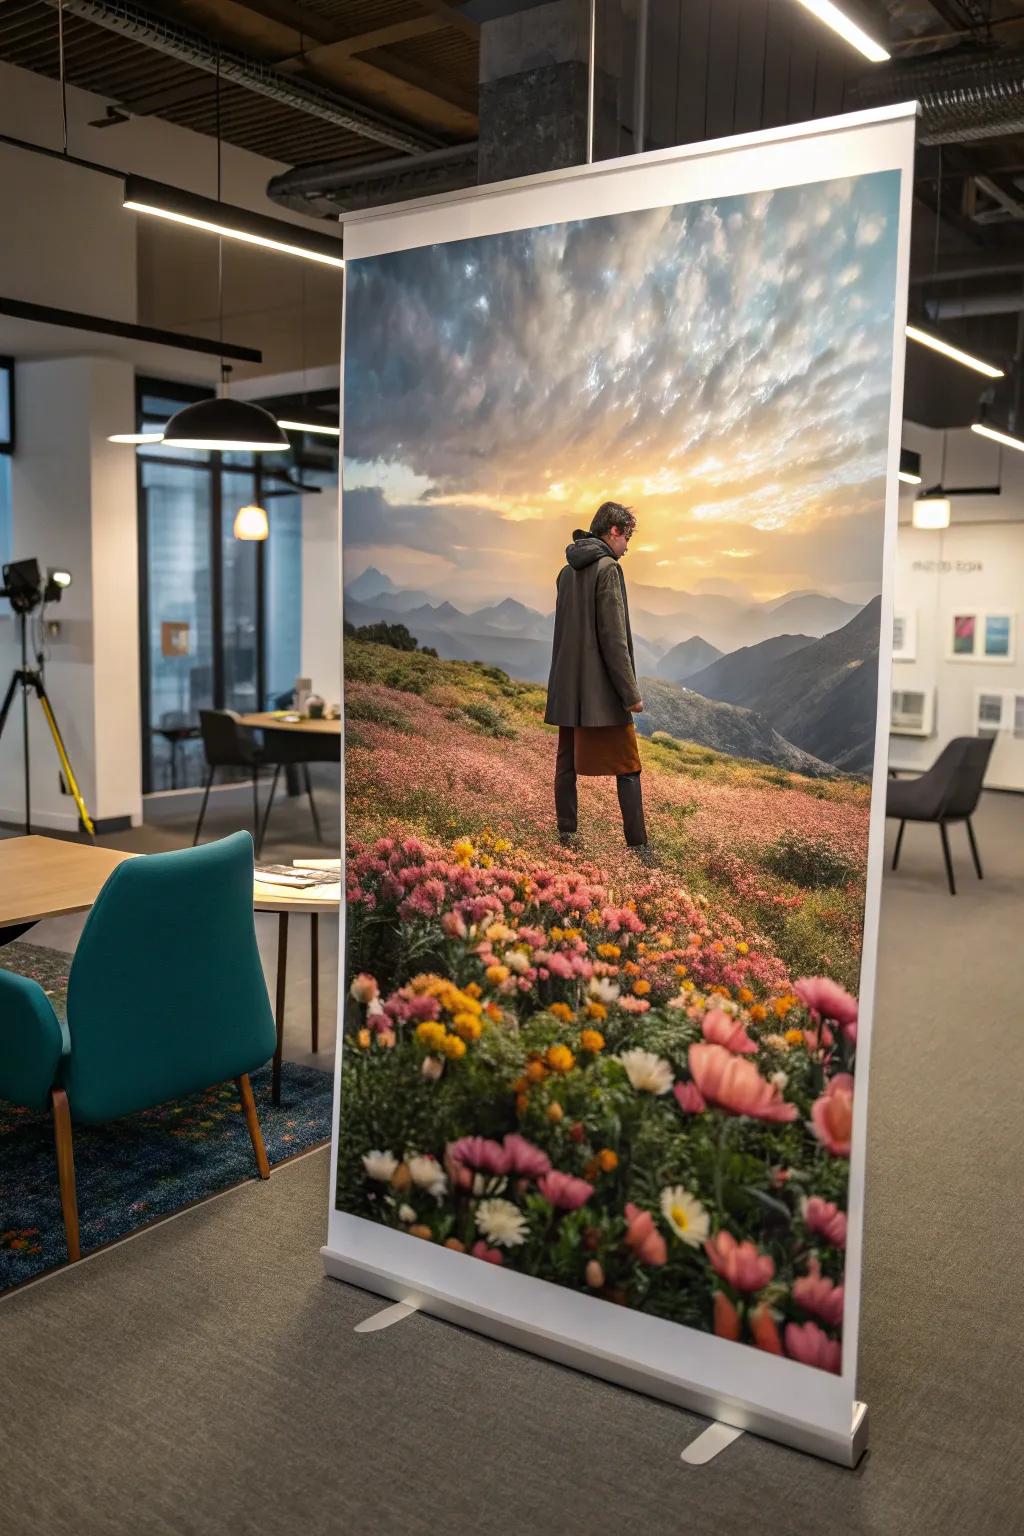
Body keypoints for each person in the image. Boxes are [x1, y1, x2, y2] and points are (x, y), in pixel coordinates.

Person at [544, 501, 651, 857]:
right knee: (628, 765)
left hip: (568, 687)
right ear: (615, 531)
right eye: (628, 537)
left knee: (567, 762)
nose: (628, 547)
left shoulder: (565, 572)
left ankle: (567, 837)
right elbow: (613, 638)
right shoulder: (608, 569)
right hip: (600, 691)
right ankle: (639, 848)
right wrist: (630, 694)